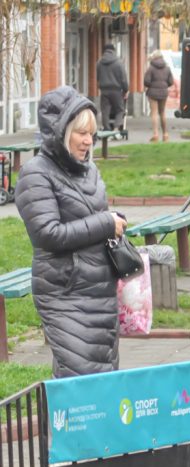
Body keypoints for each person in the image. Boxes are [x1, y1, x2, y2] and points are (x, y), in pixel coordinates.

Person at [14, 87, 128, 378]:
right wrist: (105, 223)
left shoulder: (88, 169)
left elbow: (93, 217)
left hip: (100, 288)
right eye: (81, 133)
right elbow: (47, 234)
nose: (88, 141)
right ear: (61, 131)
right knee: (80, 373)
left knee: (101, 372)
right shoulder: (35, 173)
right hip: (65, 290)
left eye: (92, 133)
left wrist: (114, 222)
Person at [96, 44, 129, 134]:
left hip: (104, 90)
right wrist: (125, 90)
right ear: (114, 51)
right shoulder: (118, 63)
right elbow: (123, 78)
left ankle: (106, 129)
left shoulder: (99, 62)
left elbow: (98, 77)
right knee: (120, 110)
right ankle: (116, 128)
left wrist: (100, 86)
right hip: (116, 90)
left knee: (105, 110)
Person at [143, 50, 175, 142]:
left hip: (152, 93)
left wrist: (151, 85)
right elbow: (171, 81)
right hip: (163, 92)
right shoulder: (167, 68)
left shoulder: (151, 68)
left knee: (154, 113)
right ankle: (165, 134)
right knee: (162, 112)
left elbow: (146, 81)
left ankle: (155, 134)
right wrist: (164, 86)